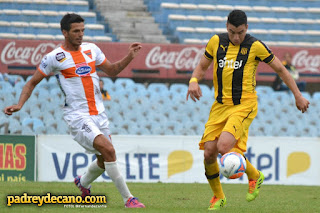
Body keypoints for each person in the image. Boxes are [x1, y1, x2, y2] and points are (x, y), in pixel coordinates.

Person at [4, 13, 145, 208]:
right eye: (76, 31)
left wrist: (129, 56)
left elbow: (112, 71)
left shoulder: (92, 49)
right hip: (78, 116)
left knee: (104, 160)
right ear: (64, 32)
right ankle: (129, 199)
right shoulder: (54, 57)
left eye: (82, 30)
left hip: (99, 114)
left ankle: (83, 182)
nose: (80, 34)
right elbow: (32, 82)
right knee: (109, 150)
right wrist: (20, 104)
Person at [186, 10, 309, 210]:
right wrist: (193, 81)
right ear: (227, 26)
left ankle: (253, 175)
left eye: (241, 32)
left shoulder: (255, 46)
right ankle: (220, 196)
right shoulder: (216, 42)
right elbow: (202, 66)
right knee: (209, 153)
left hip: (244, 105)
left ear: (247, 28)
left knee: (223, 147)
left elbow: (280, 69)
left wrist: (297, 95)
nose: (236, 37)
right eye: (232, 32)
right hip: (219, 106)